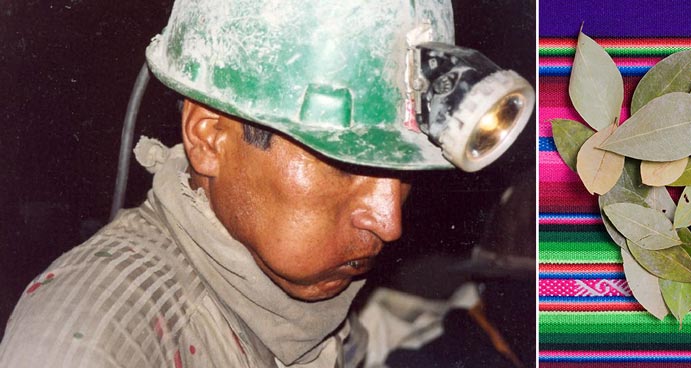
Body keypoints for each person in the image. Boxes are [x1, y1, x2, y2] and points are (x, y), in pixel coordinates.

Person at [0, 1, 533, 367]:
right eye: (345, 166)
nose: (388, 221)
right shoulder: (95, 345)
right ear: (209, 137)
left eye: (406, 173)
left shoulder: (296, 289)